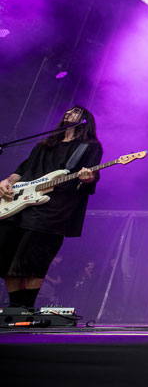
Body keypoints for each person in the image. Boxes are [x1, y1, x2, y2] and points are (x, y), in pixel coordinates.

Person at [0, 105, 103, 309]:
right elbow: (22, 170)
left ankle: (26, 308)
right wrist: (5, 181)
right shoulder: (45, 144)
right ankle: (15, 309)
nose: (69, 113)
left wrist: (89, 178)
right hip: (18, 204)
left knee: (32, 260)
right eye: (68, 111)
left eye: (76, 111)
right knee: (6, 256)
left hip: (52, 210)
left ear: (85, 120)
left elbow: (91, 177)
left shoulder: (89, 146)